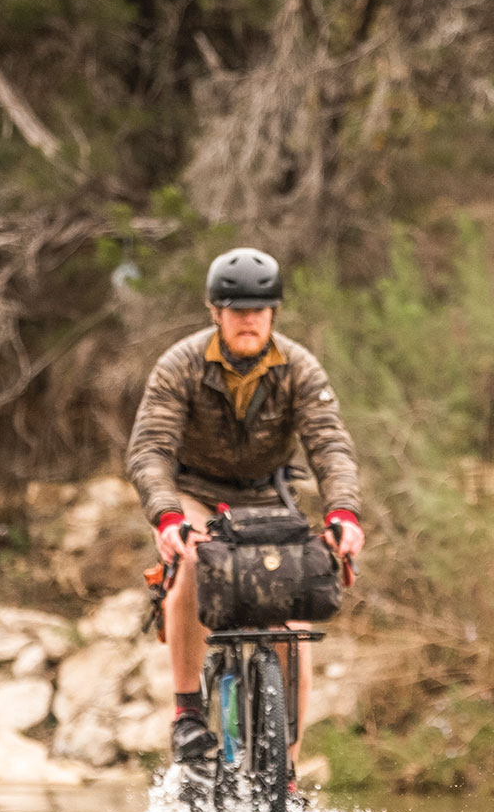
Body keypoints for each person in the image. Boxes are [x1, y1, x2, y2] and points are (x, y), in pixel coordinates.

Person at [125, 247, 365, 767]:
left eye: (259, 310)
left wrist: (343, 512)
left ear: (274, 313)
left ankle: (288, 772)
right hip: (194, 494)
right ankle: (188, 712)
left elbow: (331, 446)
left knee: (293, 621)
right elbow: (150, 450)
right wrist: (168, 518)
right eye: (237, 310)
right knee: (190, 559)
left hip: (269, 498)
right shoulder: (180, 364)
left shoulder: (300, 367)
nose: (249, 320)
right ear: (216, 313)